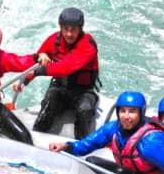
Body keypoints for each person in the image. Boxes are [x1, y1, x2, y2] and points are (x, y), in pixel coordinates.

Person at [49, 91, 164, 174]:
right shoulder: (114, 128)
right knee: (92, 162)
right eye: (122, 111)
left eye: (132, 112)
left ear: (141, 113)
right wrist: (66, 146)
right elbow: (87, 144)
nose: (126, 116)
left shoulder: (151, 141)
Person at [13, 7, 100, 139]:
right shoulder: (53, 40)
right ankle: (35, 139)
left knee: (85, 109)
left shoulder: (87, 45)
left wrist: (38, 72)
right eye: (66, 29)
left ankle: (81, 144)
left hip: (83, 92)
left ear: (80, 28)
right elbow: (37, 63)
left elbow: (66, 68)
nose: (69, 34)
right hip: (60, 88)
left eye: (73, 30)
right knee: (49, 103)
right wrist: (24, 81)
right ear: (60, 27)